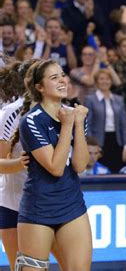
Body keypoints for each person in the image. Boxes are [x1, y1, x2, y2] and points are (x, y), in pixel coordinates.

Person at [12, 59, 92, 270]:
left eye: (63, 75)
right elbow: (55, 167)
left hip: (72, 203)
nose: (62, 80)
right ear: (39, 87)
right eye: (54, 77)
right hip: (39, 208)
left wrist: (77, 122)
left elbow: (80, 165)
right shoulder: (31, 120)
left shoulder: (76, 114)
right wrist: (67, 125)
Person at [0, 61, 31, 270]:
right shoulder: (11, 112)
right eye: (53, 76)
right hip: (14, 202)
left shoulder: (64, 111)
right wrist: (21, 163)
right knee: (21, 267)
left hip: (51, 201)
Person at [84, 68, 126, 173]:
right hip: (98, 142)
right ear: (96, 82)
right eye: (101, 79)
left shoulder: (119, 99)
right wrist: (91, 144)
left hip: (117, 141)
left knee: (116, 168)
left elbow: (124, 124)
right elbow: (87, 123)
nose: (105, 81)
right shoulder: (90, 99)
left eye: (107, 79)